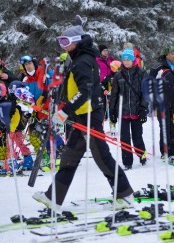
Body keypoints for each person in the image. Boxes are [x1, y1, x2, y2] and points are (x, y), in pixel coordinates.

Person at [32, 15, 134, 211]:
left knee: (102, 157)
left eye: (66, 41)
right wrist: (65, 108)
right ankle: (53, 197)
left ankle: (124, 194)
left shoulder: (82, 61)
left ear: (76, 42)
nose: (62, 45)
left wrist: (65, 111)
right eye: (60, 41)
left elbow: (85, 90)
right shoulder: (79, 58)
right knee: (70, 157)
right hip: (81, 113)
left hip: (88, 114)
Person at [109, 47, 148, 170]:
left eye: (128, 60)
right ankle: (127, 162)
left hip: (137, 111)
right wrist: (112, 111)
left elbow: (146, 93)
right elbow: (114, 94)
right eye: (124, 60)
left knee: (137, 136)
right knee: (124, 138)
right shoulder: (118, 75)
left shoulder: (141, 73)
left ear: (133, 60)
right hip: (123, 111)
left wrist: (143, 109)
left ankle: (142, 155)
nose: (126, 62)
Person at [149, 46, 174, 158]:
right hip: (163, 103)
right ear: (166, 55)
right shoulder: (157, 68)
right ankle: (165, 152)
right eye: (172, 53)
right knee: (165, 127)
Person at [96, 44, 114, 120]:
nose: (106, 52)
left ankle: (112, 114)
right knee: (102, 99)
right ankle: (103, 116)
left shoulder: (111, 59)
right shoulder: (97, 60)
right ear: (100, 52)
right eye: (104, 51)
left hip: (110, 81)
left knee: (111, 98)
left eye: (107, 50)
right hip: (101, 82)